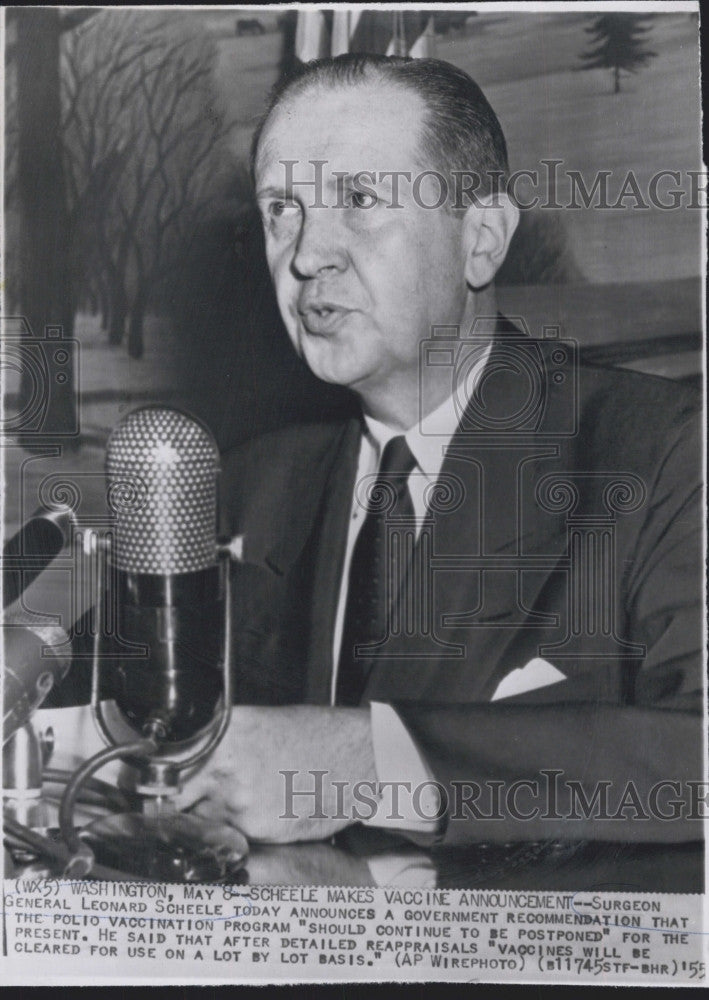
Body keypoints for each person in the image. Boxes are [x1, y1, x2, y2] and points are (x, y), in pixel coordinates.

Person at [175, 54, 703, 848]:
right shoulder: (252, 484)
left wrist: (375, 765)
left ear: (481, 240)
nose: (306, 253)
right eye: (282, 208)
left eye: (357, 199)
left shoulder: (662, 451)